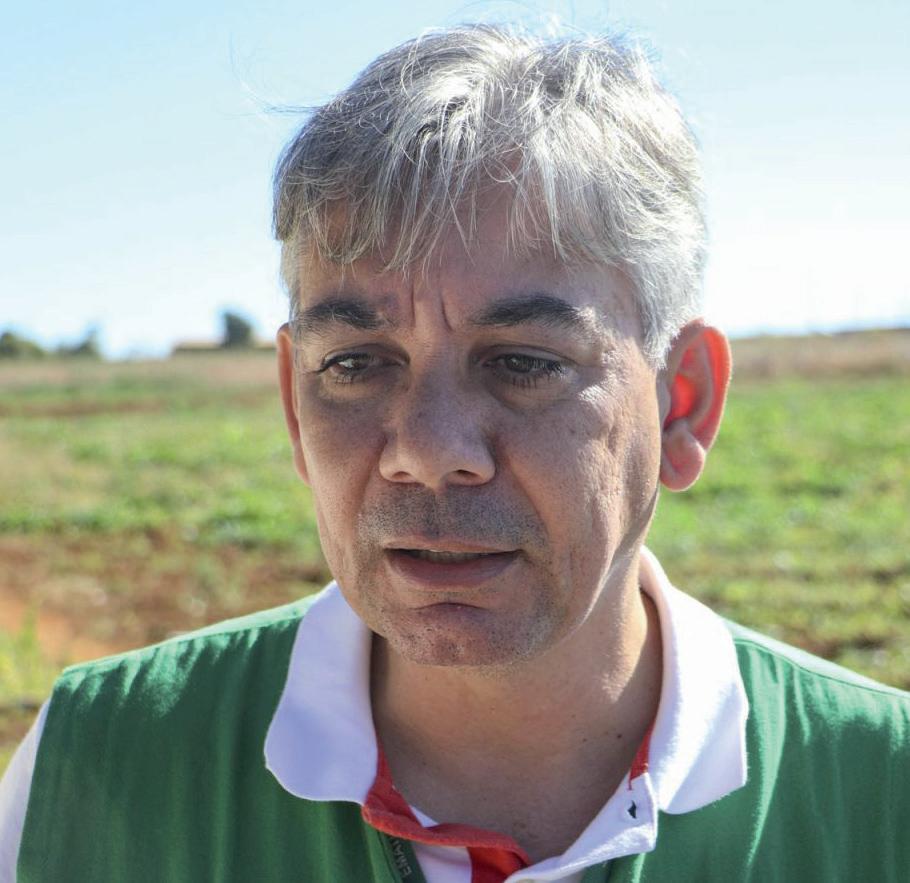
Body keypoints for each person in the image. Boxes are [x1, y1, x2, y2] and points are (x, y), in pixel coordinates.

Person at [1, 24, 908, 883]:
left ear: (682, 403)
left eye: (524, 362)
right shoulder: (93, 766)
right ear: (293, 404)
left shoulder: (880, 793)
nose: (429, 452)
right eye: (356, 363)